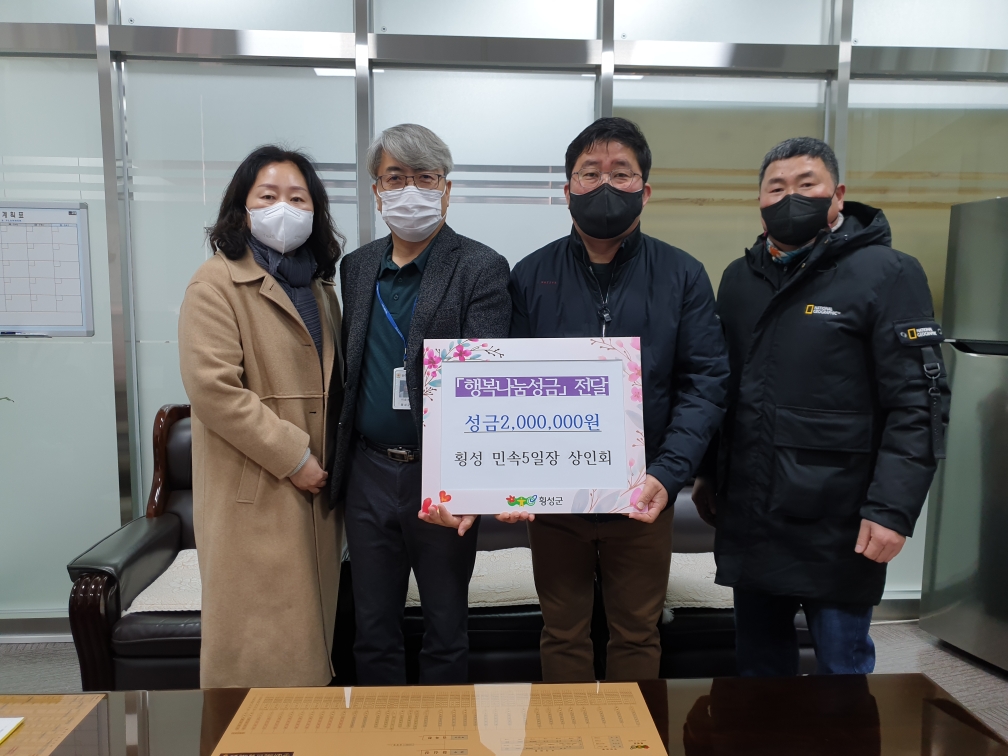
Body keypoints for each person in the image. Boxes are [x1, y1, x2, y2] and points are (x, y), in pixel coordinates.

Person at [692, 136, 951, 677]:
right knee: (757, 673)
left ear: (838, 195)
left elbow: (918, 401)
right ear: (760, 201)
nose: (790, 197)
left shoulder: (888, 272)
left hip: (840, 518)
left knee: (841, 673)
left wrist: (892, 510)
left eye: (806, 184)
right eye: (776, 188)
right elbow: (721, 386)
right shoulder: (739, 279)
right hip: (752, 514)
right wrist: (709, 473)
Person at [507, 117, 730, 681]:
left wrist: (668, 473)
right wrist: (512, 477)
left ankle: (633, 731)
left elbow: (705, 383)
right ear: (567, 190)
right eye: (590, 173)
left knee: (637, 633)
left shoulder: (683, 275)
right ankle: (566, 731)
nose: (605, 185)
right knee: (562, 633)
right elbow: (509, 383)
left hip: (643, 495)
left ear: (645, 190)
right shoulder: (529, 275)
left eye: (621, 173)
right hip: (556, 500)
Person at [330, 123, 511, 685]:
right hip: (367, 469)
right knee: (372, 627)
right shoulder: (357, 268)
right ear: (377, 190)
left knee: (445, 627)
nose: (410, 190)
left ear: (446, 189)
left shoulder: (480, 266)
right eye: (395, 178)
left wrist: (469, 482)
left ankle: (444, 731)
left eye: (425, 178)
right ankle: (382, 731)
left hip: (441, 474)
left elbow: (484, 379)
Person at [178, 145, 345, 687]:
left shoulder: (320, 289)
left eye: (298, 198)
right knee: (255, 650)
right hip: (256, 490)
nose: (284, 209)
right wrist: (294, 456)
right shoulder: (215, 283)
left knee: (308, 644)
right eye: (268, 196)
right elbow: (213, 390)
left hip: (316, 490)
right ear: (242, 209)